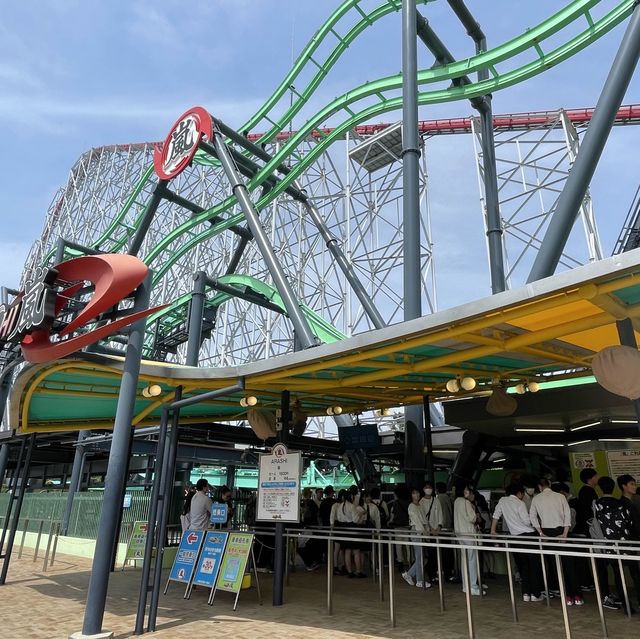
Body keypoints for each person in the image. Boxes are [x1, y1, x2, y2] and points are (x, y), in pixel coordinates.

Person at [492, 482, 544, 602]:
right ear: (519, 493)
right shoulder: (520, 503)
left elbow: (496, 516)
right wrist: (537, 525)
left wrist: (493, 531)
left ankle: (526, 593)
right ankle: (535, 594)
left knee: (523, 566)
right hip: (528, 536)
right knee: (534, 566)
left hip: (514, 538)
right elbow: (526, 521)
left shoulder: (502, 501)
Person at [595, 476, 638, 612]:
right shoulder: (620, 503)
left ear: (600, 488)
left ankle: (627, 606)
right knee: (635, 573)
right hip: (626, 543)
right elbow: (631, 523)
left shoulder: (596, 504)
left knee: (618, 575)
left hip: (610, 545)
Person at [454, 485, 484, 596]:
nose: (467, 492)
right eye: (466, 490)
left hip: (460, 534)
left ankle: (465, 586)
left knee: (464, 560)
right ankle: (473, 586)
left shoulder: (457, 501)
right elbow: (471, 518)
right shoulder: (466, 502)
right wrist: (475, 515)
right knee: (472, 560)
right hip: (468, 533)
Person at [402, 488, 432, 589]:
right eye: (414, 493)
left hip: (421, 531)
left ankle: (409, 574)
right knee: (420, 557)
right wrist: (424, 532)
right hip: (417, 531)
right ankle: (419, 580)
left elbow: (424, 520)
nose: (417, 495)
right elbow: (417, 520)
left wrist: (426, 531)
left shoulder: (420, 505)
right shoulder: (411, 506)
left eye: (417, 493)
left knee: (422, 558)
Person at [420, 481, 443, 582]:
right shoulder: (421, 502)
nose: (428, 489)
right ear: (423, 489)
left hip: (437, 532)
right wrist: (431, 529)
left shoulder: (436, 500)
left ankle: (433, 572)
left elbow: (440, 515)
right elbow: (423, 518)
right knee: (431, 553)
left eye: (430, 487)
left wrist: (439, 527)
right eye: (426, 487)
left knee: (436, 553)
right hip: (428, 532)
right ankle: (431, 574)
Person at [388, 485, 411, 571]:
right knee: (408, 546)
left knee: (398, 546)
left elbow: (392, 515)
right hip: (407, 527)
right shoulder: (409, 502)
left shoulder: (395, 503)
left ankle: (400, 563)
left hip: (397, 527)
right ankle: (410, 562)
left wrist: (390, 522)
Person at [436, 482, 456, 581]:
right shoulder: (448, 498)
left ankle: (445, 571)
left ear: (437, 490)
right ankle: (450, 571)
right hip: (449, 527)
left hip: (441, 528)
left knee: (443, 551)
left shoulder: (438, 499)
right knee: (448, 550)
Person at [575, 468, 599, 537]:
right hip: (588, 525)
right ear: (589, 479)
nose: (598, 478)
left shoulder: (584, 490)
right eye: (596, 476)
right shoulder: (588, 491)